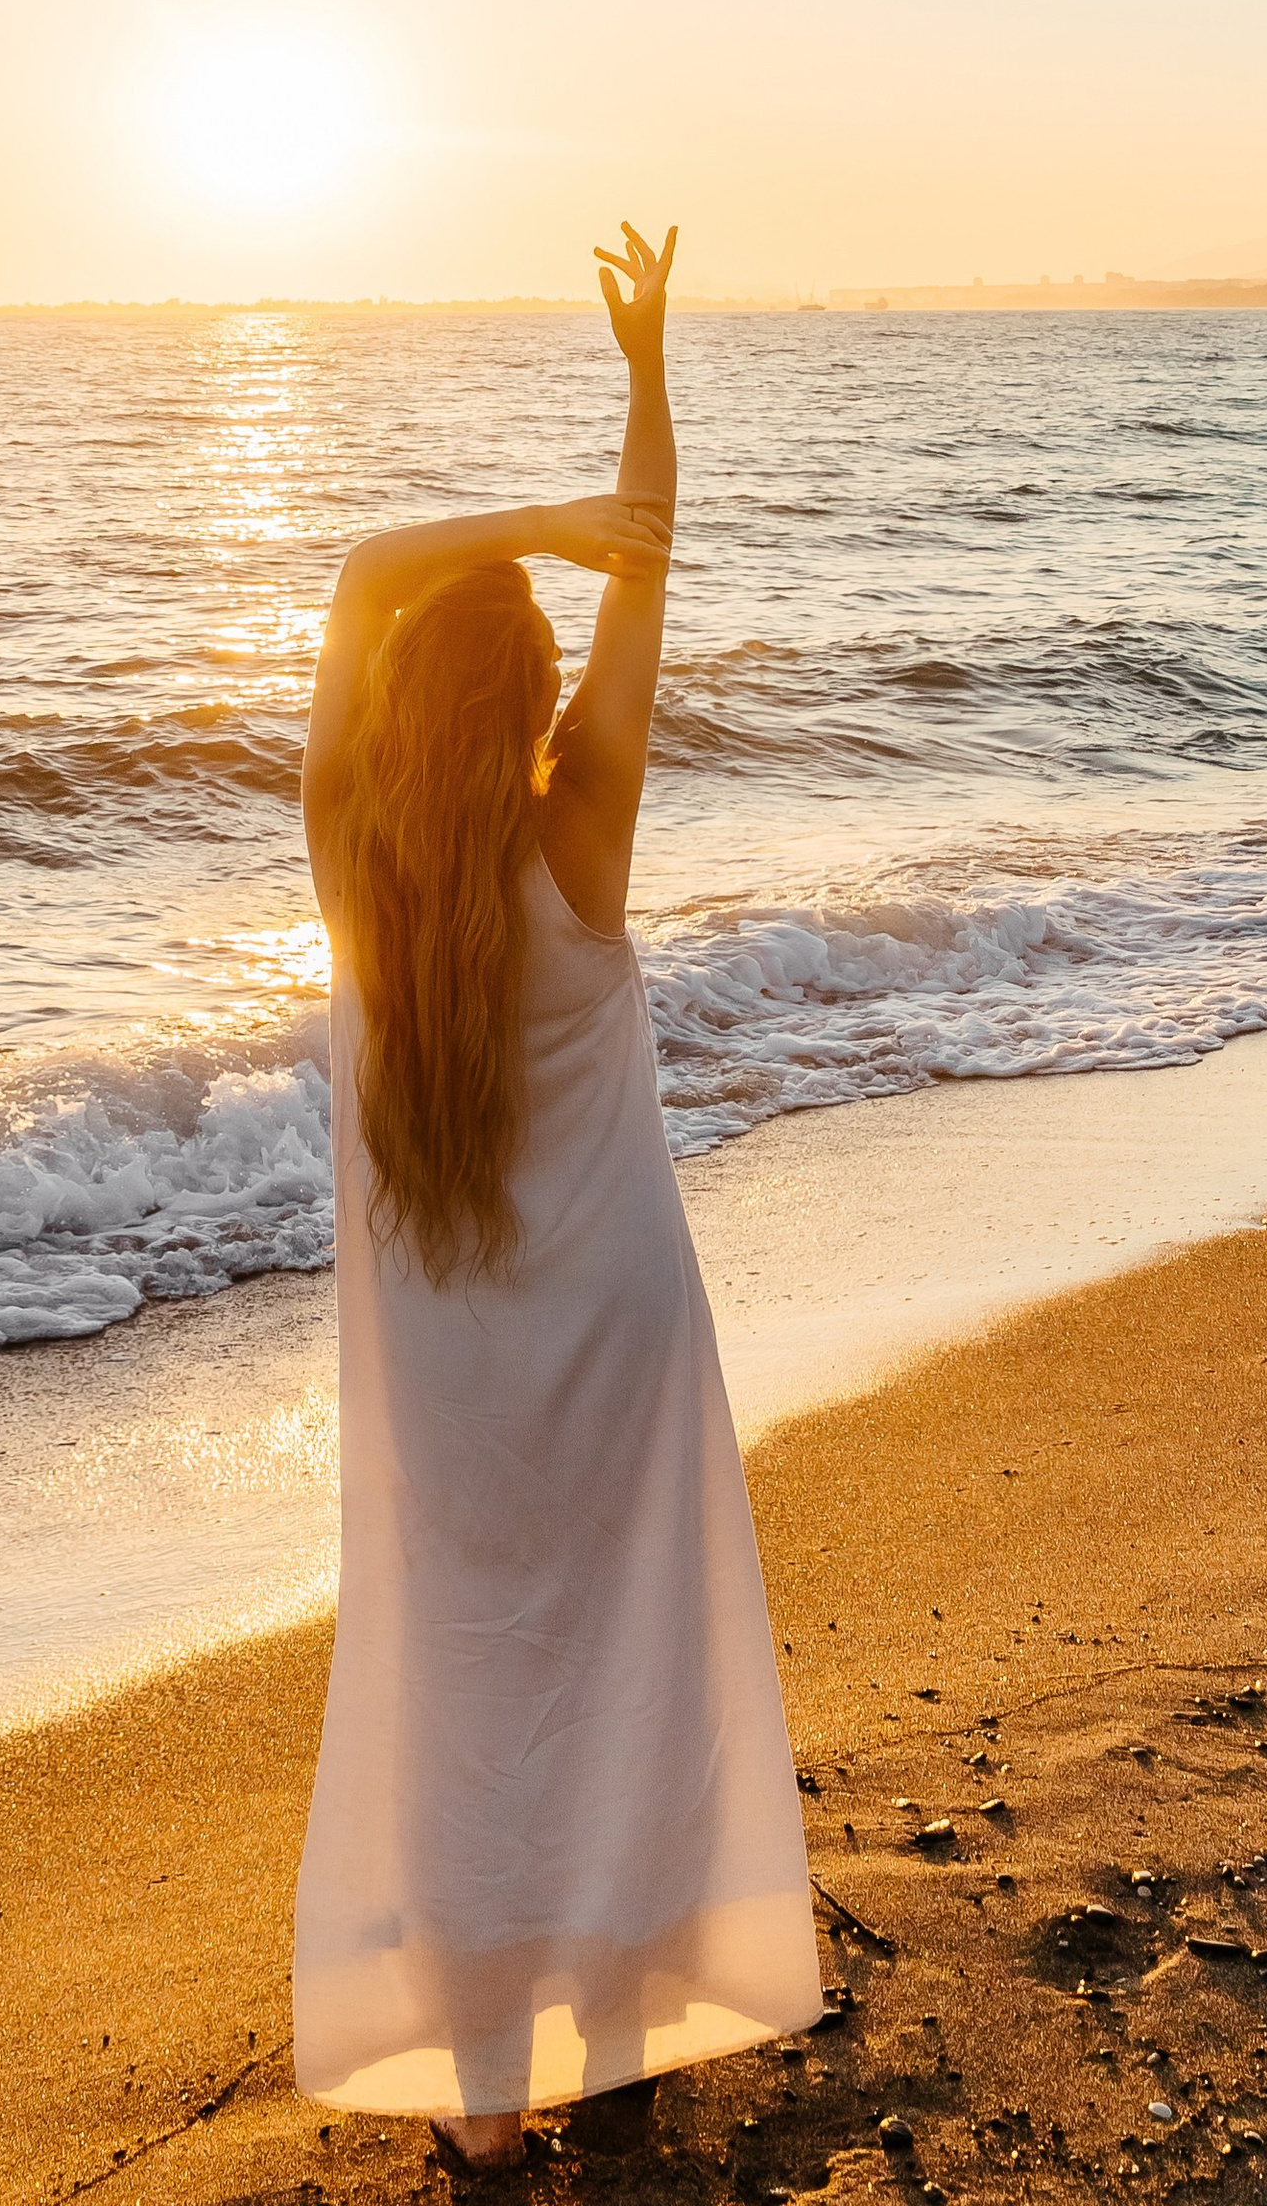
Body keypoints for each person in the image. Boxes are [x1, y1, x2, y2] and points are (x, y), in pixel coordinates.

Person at [291, 222, 821, 2167]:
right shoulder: (577, 829)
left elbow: (359, 571)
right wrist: (645, 372)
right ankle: (626, 2041)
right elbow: (652, 555)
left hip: (444, 1350)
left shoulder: (351, 861)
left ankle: (492, 2109)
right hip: (614, 1317)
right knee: (623, 1654)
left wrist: (521, 518)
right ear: (522, 703)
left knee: (464, 1666)